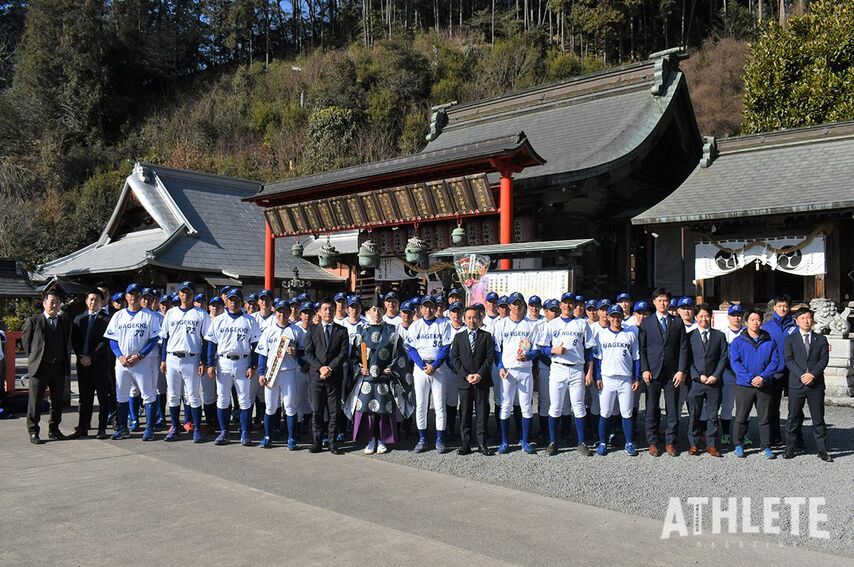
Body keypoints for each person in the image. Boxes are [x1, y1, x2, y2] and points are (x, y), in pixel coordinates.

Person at [346, 302, 414, 454]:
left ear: (384, 311)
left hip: (384, 378)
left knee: (383, 411)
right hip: (366, 379)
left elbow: (401, 354)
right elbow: (353, 356)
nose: (376, 313)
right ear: (368, 311)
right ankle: (370, 439)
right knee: (366, 410)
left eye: (380, 310)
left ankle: (383, 439)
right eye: (373, 309)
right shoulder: (361, 330)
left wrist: (393, 367)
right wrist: (359, 367)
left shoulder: (392, 330)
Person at [104, 284, 162, 441]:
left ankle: (150, 429)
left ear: (141, 296)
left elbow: (154, 338)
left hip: (143, 361)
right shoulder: (118, 316)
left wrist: (140, 355)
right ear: (126, 296)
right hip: (122, 362)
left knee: (148, 394)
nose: (133, 297)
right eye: (130, 294)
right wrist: (120, 356)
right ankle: (123, 428)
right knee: (122, 395)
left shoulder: (149, 316)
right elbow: (112, 339)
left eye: (136, 294)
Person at [541, 291, 595, 456]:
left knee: (578, 406)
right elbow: (542, 347)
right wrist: (553, 350)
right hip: (558, 367)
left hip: (577, 368)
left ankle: (581, 442)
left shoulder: (582, 323)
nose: (567, 305)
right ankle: (553, 442)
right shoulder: (552, 324)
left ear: (575, 305)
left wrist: (590, 372)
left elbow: (590, 350)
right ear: (560, 304)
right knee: (555, 406)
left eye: (570, 302)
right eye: (565, 302)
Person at [205, 288, 261, 446]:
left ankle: (245, 432)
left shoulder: (249, 320)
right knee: (222, 399)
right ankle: (224, 432)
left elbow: (256, 345)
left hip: (243, 361)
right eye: (231, 299)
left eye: (236, 300)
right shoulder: (219, 320)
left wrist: (253, 365)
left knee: (244, 400)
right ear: (226, 301)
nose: (233, 302)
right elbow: (211, 343)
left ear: (241, 302)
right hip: (223, 361)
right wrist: (210, 364)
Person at [492, 292, 545, 454]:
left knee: (526, 407)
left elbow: (537, 349)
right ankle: (505, 442)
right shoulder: (501, 324)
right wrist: (500, 366)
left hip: (525, 370)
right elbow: (496, 349)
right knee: (506, 406)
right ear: (509, 306)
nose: (516, 306)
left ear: (524, 306)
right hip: (508, 371)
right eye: (513, 303)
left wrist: (527, 356)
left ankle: (525, 441)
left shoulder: (531, 325)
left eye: (519, 303)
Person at [638, 288, 688, 457]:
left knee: (672, 409)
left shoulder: (677, 322)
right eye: (659, 300)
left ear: (669, 303)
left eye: (665, 300)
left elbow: (683, 348)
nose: (662, 303)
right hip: (652, 371)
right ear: (654, 302)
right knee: (651, 407)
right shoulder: (647, 322)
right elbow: (642, 349)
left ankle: (670, 442)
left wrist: (681, 370)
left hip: (672, 373)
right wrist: (644, 369)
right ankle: (652, 442)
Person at [159, 281, 210, 443]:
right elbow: (165, 338)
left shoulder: (201, 314)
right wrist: (163, 360)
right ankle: (175, 428)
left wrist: (203, 361)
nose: (185, 295)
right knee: (173, 395)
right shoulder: (171, 313)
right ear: (178, 294)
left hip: (192, 358)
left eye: (189, 292)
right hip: (172, 357)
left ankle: (196, 429)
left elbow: (207, 340)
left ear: (193, 295)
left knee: (193, 395)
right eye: (183, 292)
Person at [729, 308, 781, 459]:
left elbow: (775, 361)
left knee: (765, 417)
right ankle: (738, 444)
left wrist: (763, 377)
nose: (755, 322)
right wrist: (750, 378)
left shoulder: (769, 340)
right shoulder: (738, 341)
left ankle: (766, 446)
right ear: (746, 322)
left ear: (762, 321)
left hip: (764, 385)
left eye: (758, 319)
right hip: (744, 385)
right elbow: (735, 363)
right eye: (752, 320)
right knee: (741, 416)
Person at [22, 290, 72, 444]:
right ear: (44, 303)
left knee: (57, 401)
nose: (55, 305)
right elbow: (26, 344)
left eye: (57, 302)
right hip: (40, 367)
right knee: (35, 401)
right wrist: (35, 358)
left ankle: (54, 429)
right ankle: (33, 431)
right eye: (52, 302)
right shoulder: (34, 321)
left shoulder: (64, 321)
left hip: (58, 367)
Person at [783, 307, 832, 462]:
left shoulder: (821, 339)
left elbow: (823, 360)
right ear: (796, 321)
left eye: (809, 317)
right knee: (793, 417)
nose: (806, 320)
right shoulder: (790, 339)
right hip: (796, 384)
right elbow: (789, 360)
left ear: (813, 320)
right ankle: (790, 447)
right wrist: (802, 375)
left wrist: (812, 374)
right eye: (802, 318)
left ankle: (822, 449)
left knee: (818, 418)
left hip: (815, 383)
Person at [404, 296, 453, 453]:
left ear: (435, 307)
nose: (428, 309)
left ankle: (440, 440)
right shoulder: (415, 325)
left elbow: (446, 348)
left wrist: (434, 365)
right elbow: (410, 348)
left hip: (438, 367)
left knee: (439, 405)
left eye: (431, 306)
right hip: (421, 367)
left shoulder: (444, 324)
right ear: (421, 309)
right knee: (421, 405)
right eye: (425, 307)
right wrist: (422, 365)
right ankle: (422, 439)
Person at [592, 305, 640, 456]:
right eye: (613, 316)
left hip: (625, 379)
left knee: (626, 412)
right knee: (605, 412)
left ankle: (629, 443)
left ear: (621, 317)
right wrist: (597, 376)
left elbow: (636, 358)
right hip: (607, 378)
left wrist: (636, 378)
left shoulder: (630, 334)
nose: (615, 319)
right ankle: (603, 443)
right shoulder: (601, 334)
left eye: (618, 316)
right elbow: (597, 358)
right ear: (609, 317)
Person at [303, 299, 349, 454]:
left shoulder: (342, 331)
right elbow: (308, 353)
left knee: (334, 412)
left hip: (334, 376)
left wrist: (329, 368)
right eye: (325, 309)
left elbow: (343, 353)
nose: (328, 312)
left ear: (335, 311)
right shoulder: (312, 329)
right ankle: (317, 442)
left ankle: (332, 442)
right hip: (316, 377)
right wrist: (320, 368)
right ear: (319, 312)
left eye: (331, 309)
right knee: (316, 411)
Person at [256, 299, 302, 449]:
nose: (282, 314)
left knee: (290, 406)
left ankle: (291, 438)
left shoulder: (296, 330)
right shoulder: (269, 330)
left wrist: (296, 352)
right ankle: (268, 436)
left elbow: (306, 351)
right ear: (276, 312)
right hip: (272, 372)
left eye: (285, 311)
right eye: (279, 311)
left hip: (289, 372)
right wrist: (261, 372)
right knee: (270, 406)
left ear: (290, 312)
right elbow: (262, 354)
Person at [450, 306, 494, 455]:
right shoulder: (458, 337)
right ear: (464, 319)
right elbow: (454, 359)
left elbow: (489, 358)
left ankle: (482, 443)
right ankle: (465, 444)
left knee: (481, 412)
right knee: (465, 412)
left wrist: (480, 374)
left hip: (481, 381)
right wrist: (465, 375)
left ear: (479, 318)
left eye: (474, 317)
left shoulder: (486, 336)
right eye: (468, 317)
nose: (471, 320)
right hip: (465, 381)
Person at [686, 304, 727, 457]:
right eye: (701, 316)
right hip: (696, 382)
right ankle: (694, 444)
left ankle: (711, 445)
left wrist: (715, 375)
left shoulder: (719, 336)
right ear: (696, 318)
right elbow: (687, 360)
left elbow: (723, 358)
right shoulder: (690, 336)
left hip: (714, 382)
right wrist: (697, 375)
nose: (704, 319)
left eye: (707, 316)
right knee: (694, 414)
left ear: (711, 317)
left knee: (712, 416)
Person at [70, 289, 111, 439]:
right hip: (82, 364)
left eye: (97, 300)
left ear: (102, 302)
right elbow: (74, 340)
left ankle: (102, 428)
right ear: (86, 301)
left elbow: (104, 342)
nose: (94, 302)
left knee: (102, 397)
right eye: (91, 299)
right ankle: (82, 427)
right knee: (84, 397)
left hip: (99, 364)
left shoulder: (107, 319)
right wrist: (81, 356)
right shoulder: (79, 319)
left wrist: (91, 357)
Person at [761, 294, 796, 447]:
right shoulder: (766, 327)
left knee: (796, 406)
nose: (783, 308)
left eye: (786, 306)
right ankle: (775, 436)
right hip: (774, 372)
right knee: (773, 406)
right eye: (780, 305)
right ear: (774, 307)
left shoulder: (795, 325)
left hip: (793, 371)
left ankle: (796, 437)